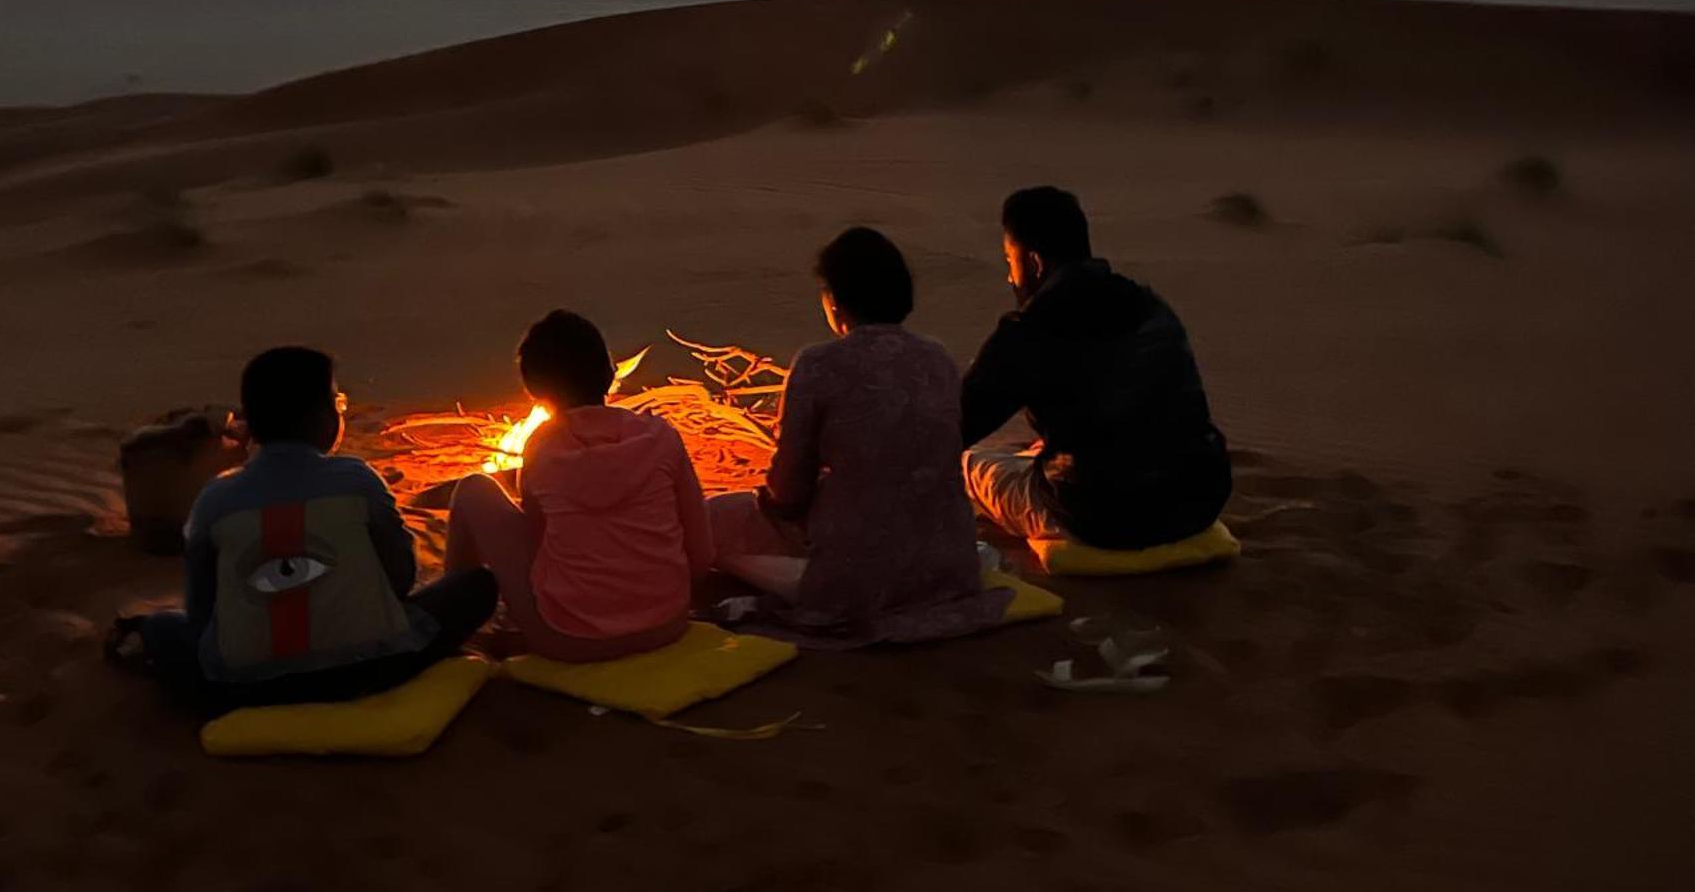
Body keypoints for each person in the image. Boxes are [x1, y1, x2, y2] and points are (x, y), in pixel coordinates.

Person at [120, 346, 497, 715]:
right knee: (478, 586)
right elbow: (400, 578)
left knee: (162, 628)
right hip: (373, 667)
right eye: (339, 402)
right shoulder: (358, 480)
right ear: (324, 419)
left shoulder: (214, 500)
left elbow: (203, 612)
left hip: (244, 685)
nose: (340, 411)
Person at [708, 227, 1009, 645]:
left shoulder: (818, 365)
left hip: (857, 578)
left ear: (834, 299)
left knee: (710, 521)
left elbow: (788, 489)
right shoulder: (936, 357)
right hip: (949, 567)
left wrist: (778, 504)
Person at [961, 186, 1231, 549]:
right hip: (1201, 498)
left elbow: (953, 425)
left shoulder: (1031, 330)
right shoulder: (1149, 306)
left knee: (972, 463)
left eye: (1011, 262)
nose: (1010, 278)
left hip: (1099, 517)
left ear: (1035, 263)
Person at [443, 310, 714, 662]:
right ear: (610, 372)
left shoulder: (542, 447)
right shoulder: (662, 437)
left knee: (472, 490)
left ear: (534, 390)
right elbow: (701, 556)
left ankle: (454, 618)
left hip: (569, 639)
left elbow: (542, 548)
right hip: (668, 625)